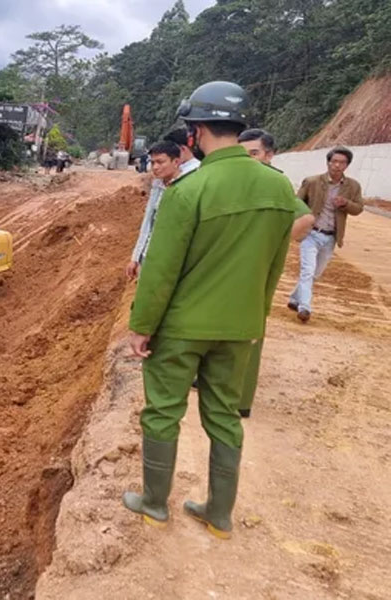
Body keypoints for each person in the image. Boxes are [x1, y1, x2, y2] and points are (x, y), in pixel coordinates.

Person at [121, 81, 312, 540]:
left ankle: (153, 503)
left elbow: (162, 271)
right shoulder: (278, 186)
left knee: (163, 412)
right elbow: (276, 259)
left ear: (196, 131)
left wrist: (141, 327)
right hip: (240, 324)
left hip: (184, 326)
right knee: (224, 415)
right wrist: (255, 317)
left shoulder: (189, 189)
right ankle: (219, 514)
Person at [236, 128, 316, 418]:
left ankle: (241, 399)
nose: (249, 159)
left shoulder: (275, 184)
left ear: (269, 155)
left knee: (249, 330)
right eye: (243, 153)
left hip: (255, 270)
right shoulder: (244, 181)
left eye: (254, 153)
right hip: (236, 266)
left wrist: (271, 245)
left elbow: (306, 218)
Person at [287, 147, 364, 322]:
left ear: (347, 165)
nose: (337, 165)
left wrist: (346, 204)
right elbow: (297, 203)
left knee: (316, 273)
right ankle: (305, 307)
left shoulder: (353, 186)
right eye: (334, 161)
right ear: (328, 162)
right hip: (311, 234)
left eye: (342, 162)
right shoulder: (312, 182)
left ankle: (294, 298)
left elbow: (358, 209)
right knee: (307, 271)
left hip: (331, 237)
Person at [126, 141, 182, 280]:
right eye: (152, 163)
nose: (155, 167)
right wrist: (136, 257)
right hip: (149, 256)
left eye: (160, 162)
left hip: (171, 260)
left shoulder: (186, 188)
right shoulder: (157, 185)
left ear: (176, 161)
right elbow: (148, 223)